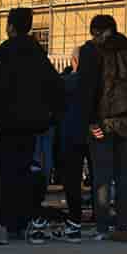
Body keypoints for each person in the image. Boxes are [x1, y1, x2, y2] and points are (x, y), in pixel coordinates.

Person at [0, 8, 62, 246]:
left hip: (9, 121)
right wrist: (49, 115)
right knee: (22, 172)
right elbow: (54, 84)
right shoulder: (38, 52)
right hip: (32, 123)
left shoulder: (7, 50)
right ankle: (17, 222)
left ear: (11, 26)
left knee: (2, 172)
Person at [77, 14, 127, 242]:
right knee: (123, 175)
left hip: (103, 119)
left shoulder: (90, 51)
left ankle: (102, 227)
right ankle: (122, 225)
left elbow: (87, 87)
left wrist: (89, 121)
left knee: (101, 176)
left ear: (96, 31)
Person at [56, 49, 88, 242]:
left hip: (70, 134)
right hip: (91, 134)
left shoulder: (67, 82)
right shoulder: (94, 83)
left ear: (74, 61)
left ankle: (74, 217)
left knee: (73, 180)